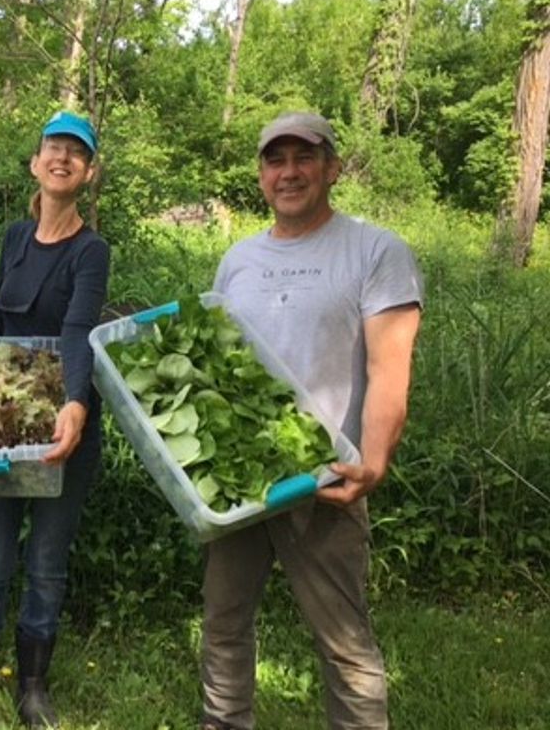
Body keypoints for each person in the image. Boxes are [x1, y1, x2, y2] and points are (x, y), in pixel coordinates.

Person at [200, 112, 423, 730]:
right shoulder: (238, 259)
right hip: (239, 482)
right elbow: (218, 368)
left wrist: (372, 461)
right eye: (276, 160)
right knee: (223, 627)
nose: (289, 172)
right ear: (261, 174)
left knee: (345, 645)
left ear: (333, 167)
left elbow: (389, 368)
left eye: (305, 157)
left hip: (325, 479)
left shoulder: (376, 250)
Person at [0, 111, 110, 730]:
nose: (62, 159)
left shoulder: (91, 251)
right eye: (52, 149)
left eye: (75, 153)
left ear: (87, 173)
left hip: (64, 424)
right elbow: (3, 315)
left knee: (47, 562)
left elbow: (77, 329)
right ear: (35, 163)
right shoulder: (15, 237)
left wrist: (78, 402)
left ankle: (33, 688)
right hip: (4, 421)